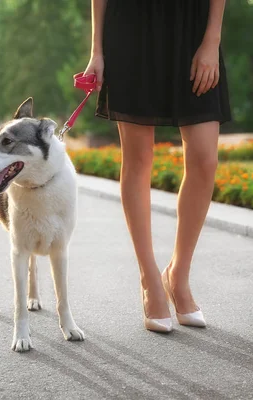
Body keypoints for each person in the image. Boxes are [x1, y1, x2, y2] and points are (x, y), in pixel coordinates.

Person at [84, 0, 231, 333]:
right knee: (138, 159)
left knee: (205, 160)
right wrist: (97, 50)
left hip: (193, 28)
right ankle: (150, 279)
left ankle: (177, 275)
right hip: (132, 29)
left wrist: (212, 40)